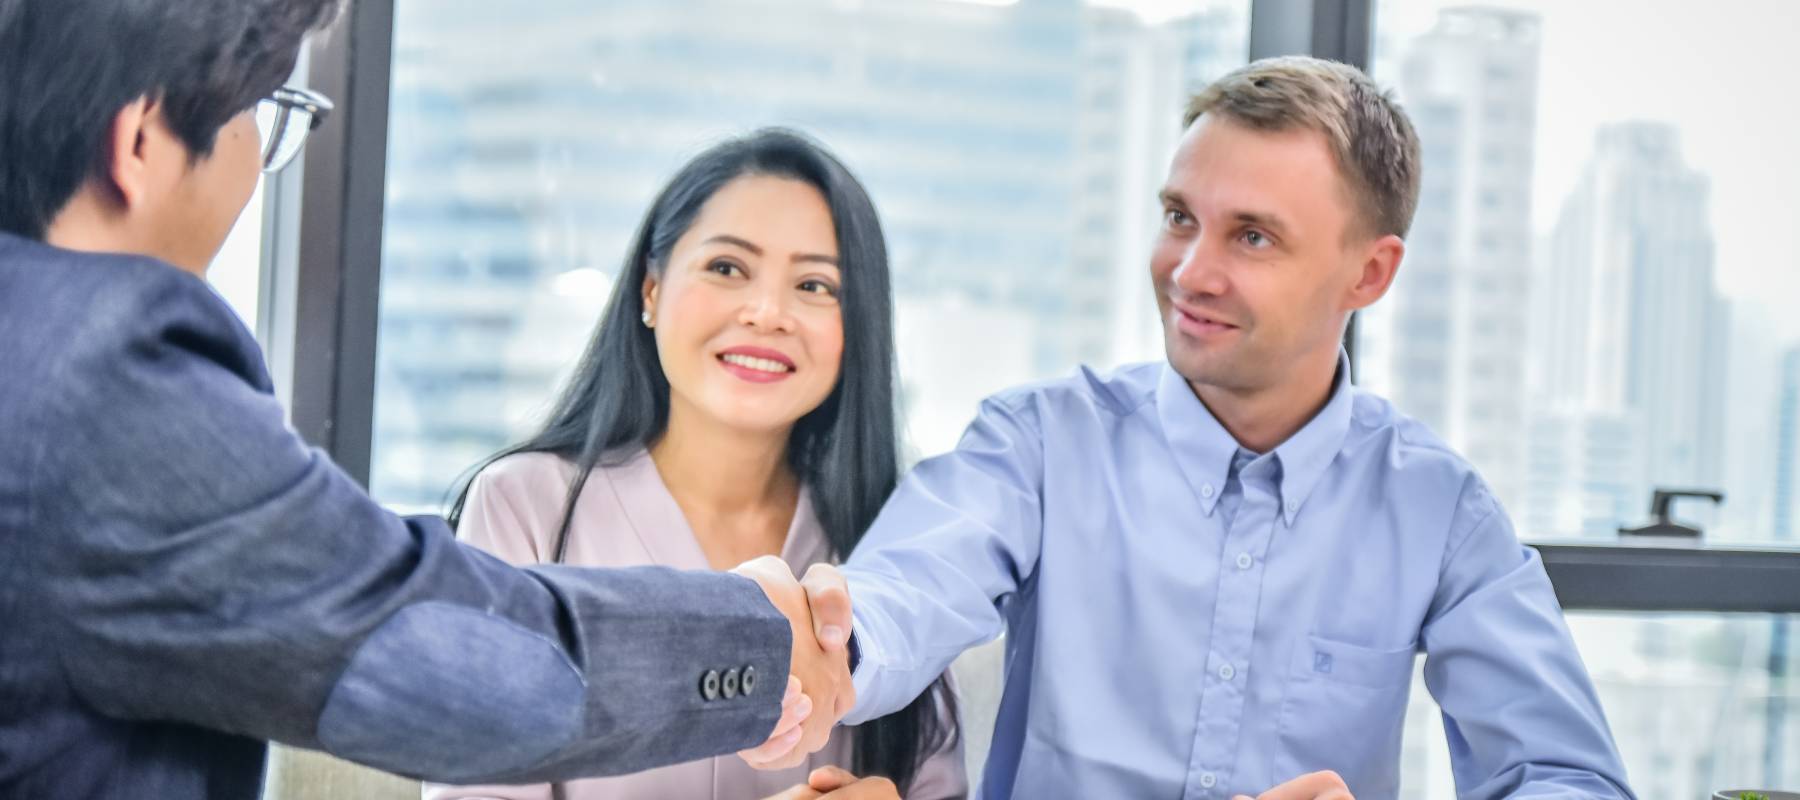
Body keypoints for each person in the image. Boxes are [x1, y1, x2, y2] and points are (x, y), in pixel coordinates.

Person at [0, 2, 854, 796]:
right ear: (142, 140)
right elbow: (435, 653)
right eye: (255, 119)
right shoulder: (103, 367)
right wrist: (756, 635)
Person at [782, 57, 1636, 798]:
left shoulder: (1438, 511)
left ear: (1369, 274)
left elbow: (1567, 775)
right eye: (1181, 217)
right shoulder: (1040, 442)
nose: (1191, 272)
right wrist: (829, 643)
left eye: (1253, 237)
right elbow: (905, 593)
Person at [424, 129, 963, 800]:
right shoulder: (521, 507)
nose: (767, 313)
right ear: (650, 290)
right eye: (728, 268)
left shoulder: (891, 547)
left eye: (815, 284)